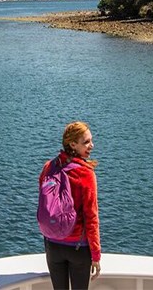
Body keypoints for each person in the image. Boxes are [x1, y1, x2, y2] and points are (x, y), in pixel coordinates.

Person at [40, 121, 101, 289]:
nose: (91, 146)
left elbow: (45, 205)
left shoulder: (49, 167)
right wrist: (96, 254)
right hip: (78, 248)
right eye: (86, 142)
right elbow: (91, 217)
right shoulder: (85, 173)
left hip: (53, 245)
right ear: (72, 144)